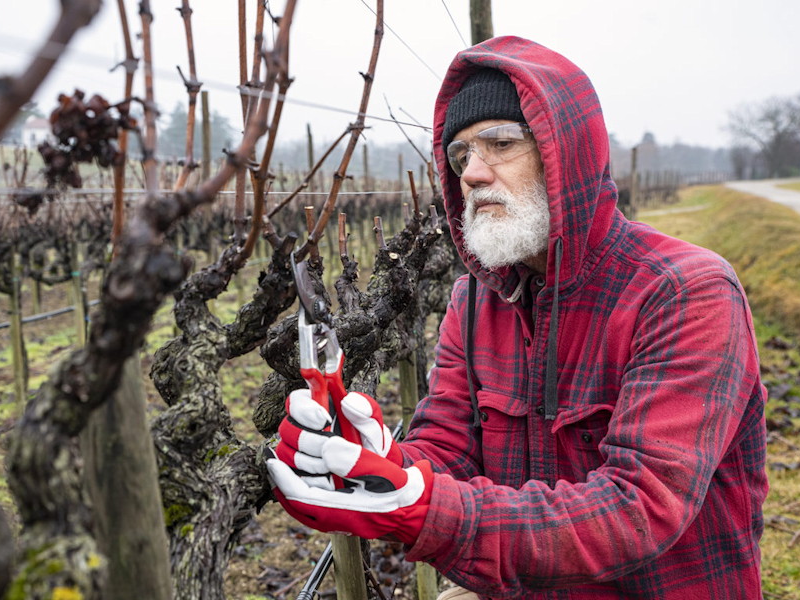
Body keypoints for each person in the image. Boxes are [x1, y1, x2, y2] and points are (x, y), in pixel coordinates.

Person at [266, 35, 767, 599]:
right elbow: (448, 448)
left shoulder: (685, 294)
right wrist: (380, 462)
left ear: (564, 153)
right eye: (459, 157)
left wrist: (426, 506)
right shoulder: (475, 301)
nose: (473, 173)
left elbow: (640, 507)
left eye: (499, 143)